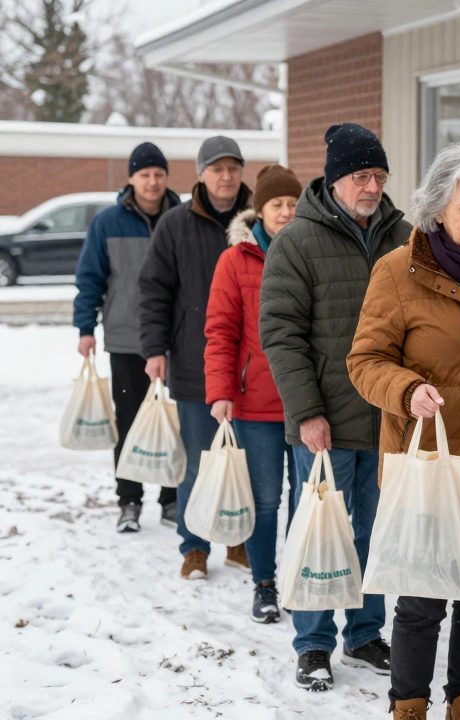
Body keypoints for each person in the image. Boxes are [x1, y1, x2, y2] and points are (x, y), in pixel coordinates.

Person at [347, 140, 460, 720]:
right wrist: (406, 389)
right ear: (438, 209)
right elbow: (364, 362)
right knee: (421, 601)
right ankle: (409, 705)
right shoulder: (398, 271)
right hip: (425, 467)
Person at [260, 123, 410, 692]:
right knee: (323, 531)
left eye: (378, 176)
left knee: (375, 532)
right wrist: (305, 413)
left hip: (387, 419)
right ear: (334, 179)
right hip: (324, 420)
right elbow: (280, 332)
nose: (371, 186)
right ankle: (314, 642)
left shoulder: (405, 236)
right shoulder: (297, 241)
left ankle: (366, 630)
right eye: (359, 176)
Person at [138, 136, 253, 580]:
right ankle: (195, 546)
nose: (226, 177)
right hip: (192, 362)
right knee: (199, 459)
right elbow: (154, 290)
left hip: (250, 369)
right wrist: (154, 348)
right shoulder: (175, 224)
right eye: (216, 168)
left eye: (233, 168)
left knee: (242, 460)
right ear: (201, 174)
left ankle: (240, 540)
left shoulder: (257, 219)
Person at [205, 164, 303, 624]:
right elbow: (221, 331)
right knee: (266, 499)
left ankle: (301, 579)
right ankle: (263, 583)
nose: (285, 212)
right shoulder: (236, 259)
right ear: (259, 210)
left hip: (306, 402)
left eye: (291, 204)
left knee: (307, 498)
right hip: (254, 403)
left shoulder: (311, 250)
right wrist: (221, 391)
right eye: (276, 205)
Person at [73, 142, 181, 533]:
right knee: (130, 421)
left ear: (167, 177)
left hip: (177, 341)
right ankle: (129, 500)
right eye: (144, 175)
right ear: (132, 179)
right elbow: (90, 279)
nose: (152, 182)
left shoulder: (182, 217)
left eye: (158, 174)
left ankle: (172, 499)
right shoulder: (108, 223)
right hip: (125, 339)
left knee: (176, 422)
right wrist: (85, 328)